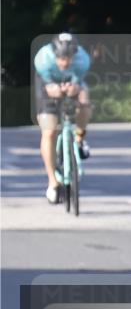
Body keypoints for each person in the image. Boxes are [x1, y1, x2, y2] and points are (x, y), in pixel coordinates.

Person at [33, 33, 92, 204]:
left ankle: (80, 138)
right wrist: (52, 89)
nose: (65, 62)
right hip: (47, 84)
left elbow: (78, 82)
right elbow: (46, 84)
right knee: (49, 131)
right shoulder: (43, 59)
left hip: (72, 82)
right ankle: (52, 182)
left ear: (75, 55)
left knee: (85, 102)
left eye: (69, 58)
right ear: (54, 54)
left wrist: (74, 88)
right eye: (61, 58)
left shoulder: (82, 60)